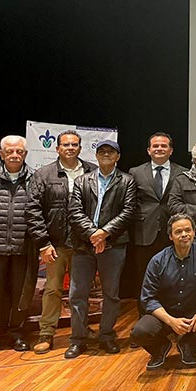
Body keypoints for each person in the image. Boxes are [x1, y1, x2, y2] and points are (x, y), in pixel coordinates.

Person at [26, 130, 96, 354]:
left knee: (81, 291)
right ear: (57, 149)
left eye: (74, 144)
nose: (70, 148)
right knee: (52, 289)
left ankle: (80, 330)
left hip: (83, 244)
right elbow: (33, 210)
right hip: (55, 244)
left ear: (80, 147)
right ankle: (46, 333)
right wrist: (43, 243)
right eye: (65, 144)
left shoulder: (92, 172)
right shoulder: (44, 174)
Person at [66, 140, 137, 358]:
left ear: (118, 156)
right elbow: (74, 211)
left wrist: (104, 233)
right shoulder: (82, 180)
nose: (106, 154)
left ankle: (106, 335)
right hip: (83, 245)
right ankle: (78, 339)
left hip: (113, 244)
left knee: (111, 294)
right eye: (102, 151)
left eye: (111, 152)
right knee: (77, 293)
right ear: (96, 156)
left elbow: (128, 211)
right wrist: (93, 234)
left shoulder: (127, 180)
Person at [131, 214, 196, 370]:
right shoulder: (157, 261)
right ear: (170, 236)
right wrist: (170, 321)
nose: (184, 235)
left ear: (194, 233)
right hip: (164, 314)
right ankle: (160, 348)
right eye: (178, 232)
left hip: (194, 313)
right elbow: (148, 298)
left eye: (188, 230)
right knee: (139, 332)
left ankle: (187, 347)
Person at [0, 135, 36, 355]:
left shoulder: (35, 178)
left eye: (20, 152)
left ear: (25, 154)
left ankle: (17, 334)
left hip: (23, 249)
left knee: (20, 296)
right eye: (10, 151)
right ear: (1, 154)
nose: (15, 155)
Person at [128, 132, 187, 314]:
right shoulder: (135, 172)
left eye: (164, 146)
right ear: (148, 150)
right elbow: (131, 202)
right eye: (155, 146)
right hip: (145, 233)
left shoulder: (183, 172)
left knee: (175, 279)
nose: (159, 149)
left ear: (170, 150)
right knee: (144, 279)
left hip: (174, 234)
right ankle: (145, 322)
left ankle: (172, 321)